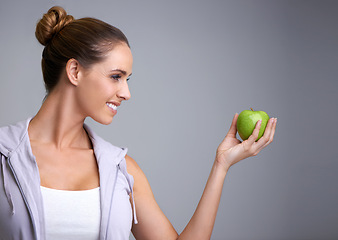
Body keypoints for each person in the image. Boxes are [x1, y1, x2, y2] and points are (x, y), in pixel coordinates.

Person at [0, 6, 277, 240]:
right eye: (116, 76)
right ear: (74, 71)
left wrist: (221, 165)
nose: (126, 93)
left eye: (127, 79)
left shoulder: (122, 170)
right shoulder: (3, 156)